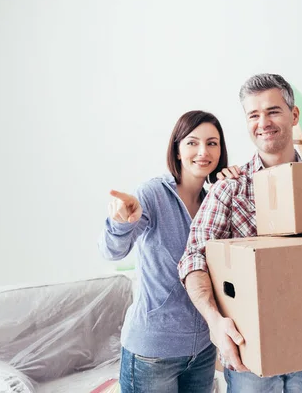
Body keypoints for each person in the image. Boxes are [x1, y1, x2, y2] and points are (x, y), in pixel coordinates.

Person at [178, 74, 302, 392]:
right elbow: (193, 258)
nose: (263, 122)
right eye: (253, 115)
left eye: (273, 111)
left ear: (294, 114)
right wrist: (214, 321)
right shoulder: (229, 189)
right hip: (249, 352)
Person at [98, 110, 237, 393]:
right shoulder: (152, 194)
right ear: (176, 149)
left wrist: (232, 188)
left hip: (203, 351)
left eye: (212, 143)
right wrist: (121, 222)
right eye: (192, 142)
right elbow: (112, 251)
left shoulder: (216, 201)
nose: (203, 151)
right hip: (153, 353)